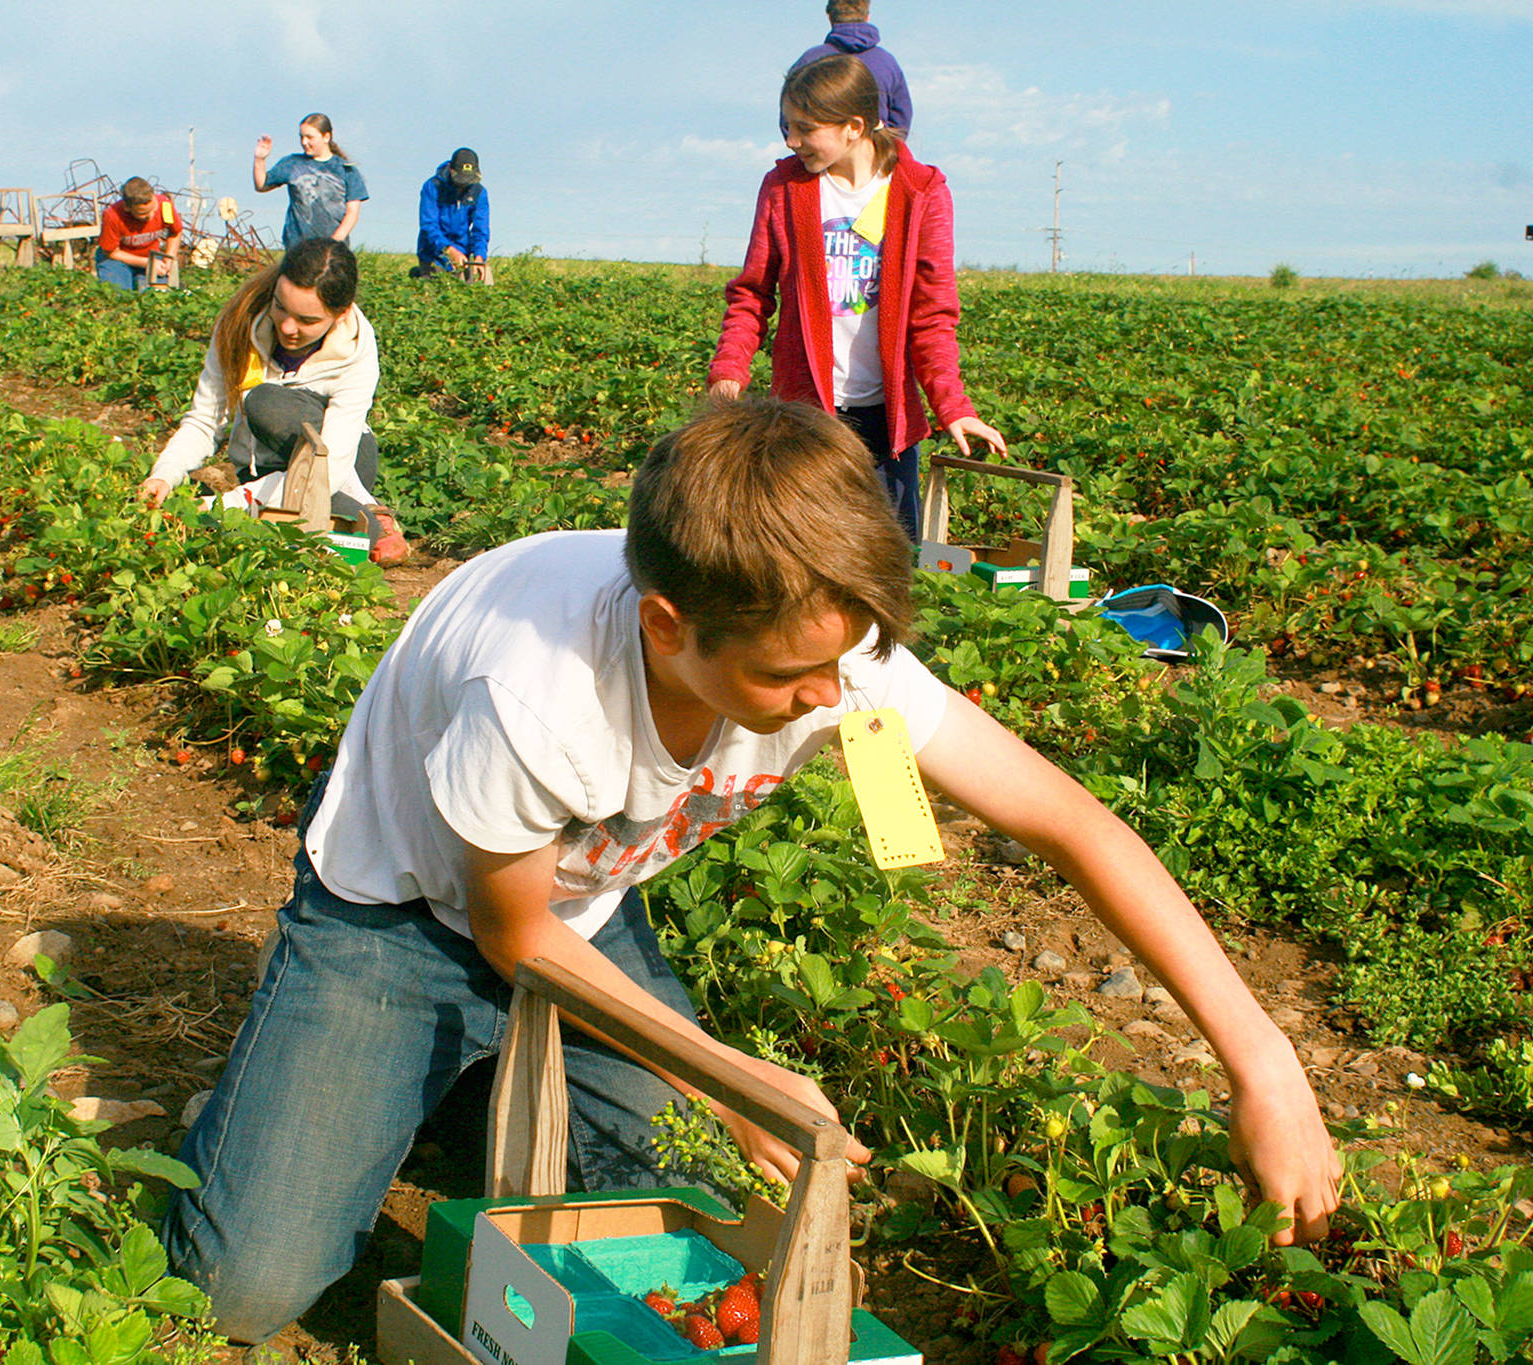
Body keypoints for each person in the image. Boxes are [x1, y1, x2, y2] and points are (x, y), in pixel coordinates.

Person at [159, 396, 1343, 1350]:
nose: (828, 703)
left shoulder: (827, 643)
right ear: (669, 625)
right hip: (404, 911)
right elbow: (510, 937)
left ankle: (439, 1094)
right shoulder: (536, 696)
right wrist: (731, 1078)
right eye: (787, 681)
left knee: (668, 1199)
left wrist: (1264, 1065)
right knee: (245, 1293)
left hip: (579, 901)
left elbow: (1075, 827)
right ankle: (292, 1098)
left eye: (844, 664)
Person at [710, 54, 1005, 540]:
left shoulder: (920, 192)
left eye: (805, 128)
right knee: (807, 561)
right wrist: (729, 370)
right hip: (806, 417)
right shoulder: (784, 189)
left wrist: (953, 405)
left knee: (891, 564)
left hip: (887, 424)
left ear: (853, 125)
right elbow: (751, 293)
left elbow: (932, 315)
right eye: (787, 127)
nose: (791, 141)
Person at [137, 237, 408, 565]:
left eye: (308, 321)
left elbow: (329, 467)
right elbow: (206, 419)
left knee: (266, 405)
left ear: (341, 314)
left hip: (341, 461)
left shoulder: (357, 349)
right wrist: (165, 474)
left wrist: (227, 505)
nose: (288, 327)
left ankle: (343, 508)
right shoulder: (239, 324)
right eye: (281, 307)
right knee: (357, 536)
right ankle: (367, 512)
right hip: (267, 464)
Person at [790, 0, 912, 134]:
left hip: (820, 151)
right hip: (875, 148)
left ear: (830, 17)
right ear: (867, 16)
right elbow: (901, 118)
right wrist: (884, 148)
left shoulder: (809, 61)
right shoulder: (887, 62)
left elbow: (789, 116)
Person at [252, 113, 368, 247]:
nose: (304, 142)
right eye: (301, 137)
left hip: (333, 249)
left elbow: (352, 213)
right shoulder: (292, 163)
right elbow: (261, 185)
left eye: (310, 137)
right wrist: (259, 159)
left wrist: (334, 242)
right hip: (297, 248)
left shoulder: (346, 169)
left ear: (326, 137)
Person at [411, 147, 491, 280]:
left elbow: (481, 229)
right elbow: (429, 226)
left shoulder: (479, 192)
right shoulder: (432, 187)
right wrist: (449, 251)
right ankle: (419, 275)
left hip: (463, 255)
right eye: (460, 180)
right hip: (433, 253)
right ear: (451, 170)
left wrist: (479, 257)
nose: (463, 185)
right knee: (434, 293)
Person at [95, 177, 181, 291]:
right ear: (127, 207)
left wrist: (169, 258)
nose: (150, 216)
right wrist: (147, 263)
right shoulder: (112, 216)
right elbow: (111, 252)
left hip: (151, 256)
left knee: (158, 294)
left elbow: (175, 233)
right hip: (117, 260)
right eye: (143, 214)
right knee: (119, 294)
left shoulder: (165, 206)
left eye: (153, 210)